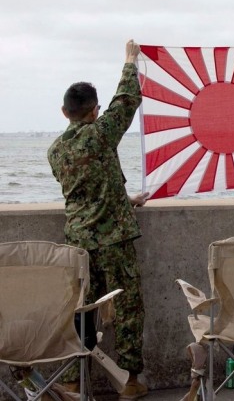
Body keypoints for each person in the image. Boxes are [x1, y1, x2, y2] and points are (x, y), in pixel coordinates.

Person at [47, 39, 149, 400]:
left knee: (80, 313)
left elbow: (86, 190)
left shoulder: (55, 150)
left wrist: (123, 199)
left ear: (64, 112)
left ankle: (74, 380)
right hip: (114, 244)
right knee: (128, 310)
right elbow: (127, 100)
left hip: (78, 245)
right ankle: (131, 382)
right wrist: (129, 60)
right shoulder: (101, 134)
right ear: (94, 111)